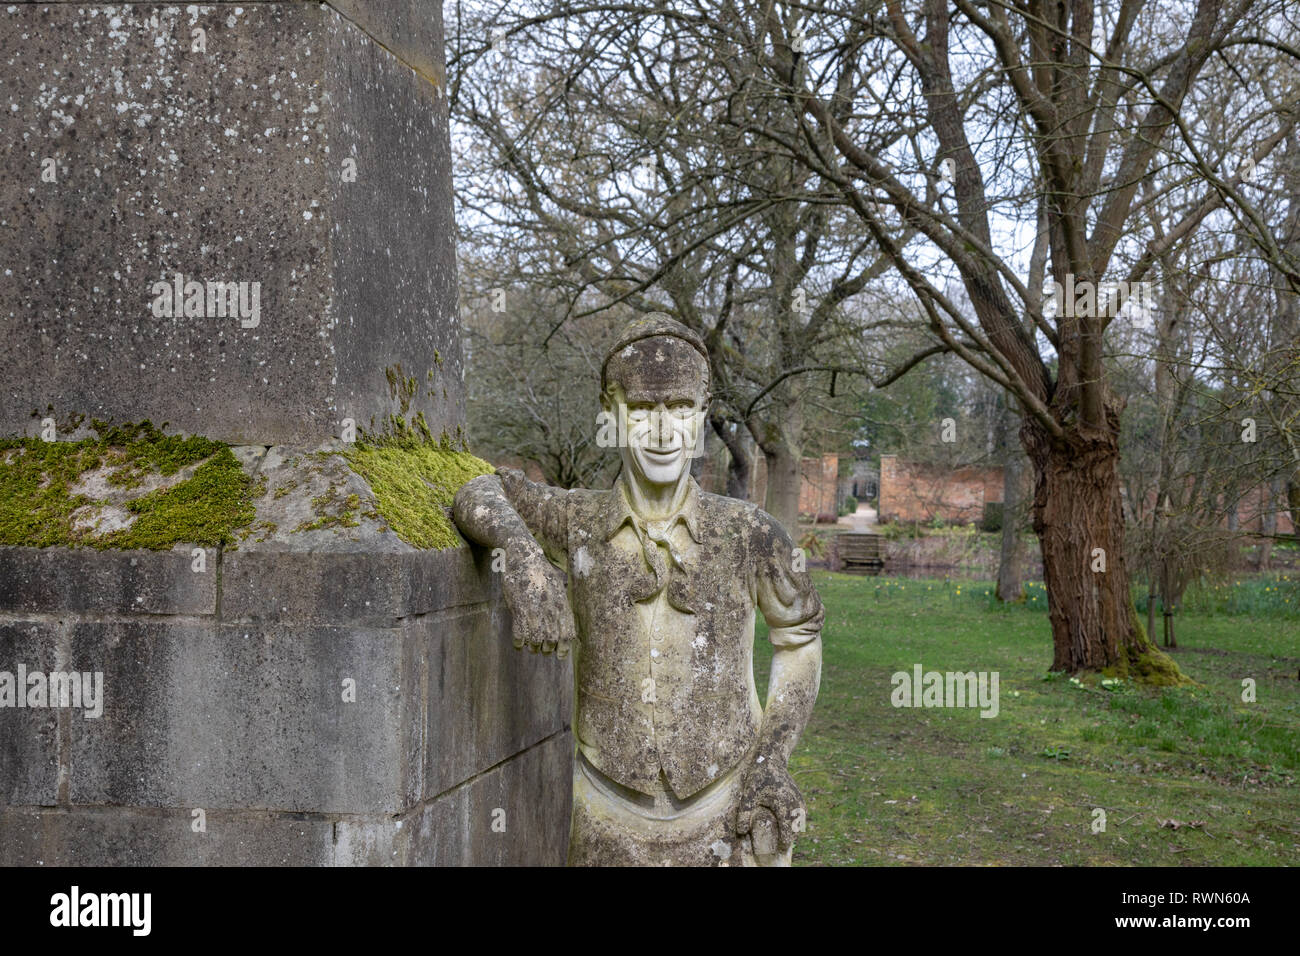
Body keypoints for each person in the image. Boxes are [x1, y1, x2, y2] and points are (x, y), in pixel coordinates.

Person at [453, 314, 823, 866]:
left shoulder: (750, 534)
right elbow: (476, 490)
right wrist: (526, 563)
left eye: (679, 408)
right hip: (604, 820)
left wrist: (771, 759)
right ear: (613, 409)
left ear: (701, 413)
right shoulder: (576, 520)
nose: (662, 430)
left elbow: (799, 639)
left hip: (727, 813)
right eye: (644, 409)